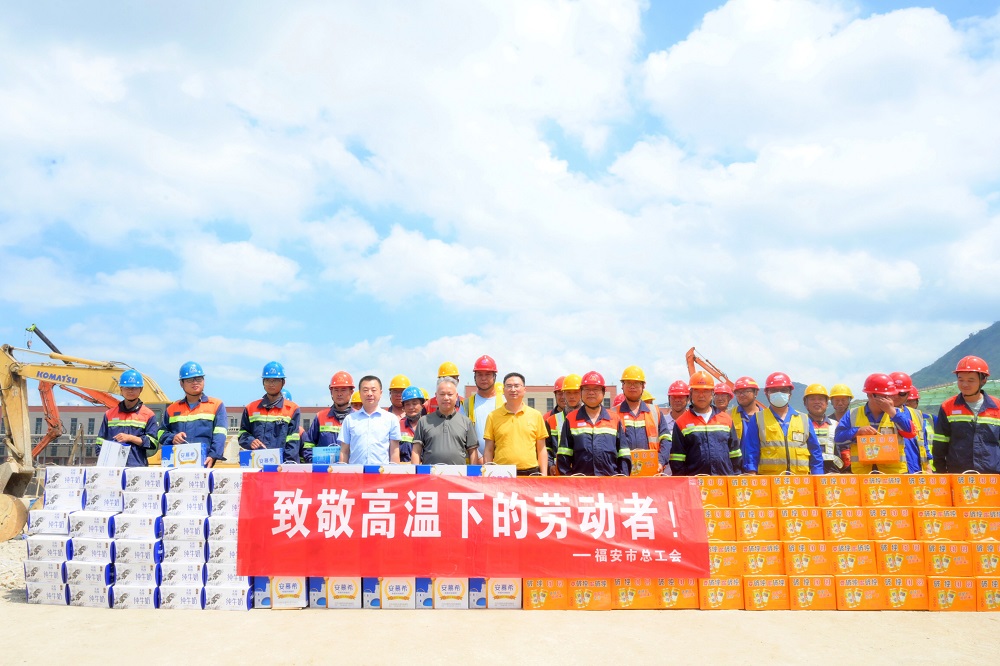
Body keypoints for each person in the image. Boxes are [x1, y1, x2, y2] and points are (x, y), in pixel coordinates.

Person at [742, 372, 823, 475]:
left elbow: (815, 452)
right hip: (770, 480)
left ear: (790, 394)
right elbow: (751, 452)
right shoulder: (758, 419)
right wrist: (752, 474)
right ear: (767, 393)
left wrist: (817, 476)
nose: (779, 393)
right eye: (774, 390)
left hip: (800, 480)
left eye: (784, 390)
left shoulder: (804, 419)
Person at [834, 373, 913, 474]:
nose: (888, 399)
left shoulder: (897, 413)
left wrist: (891, 412)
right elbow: (838, 438)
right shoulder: (852, 414)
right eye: (884, 396)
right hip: (863, 474)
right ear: (870, 395)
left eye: (889, 395)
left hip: (893, 475)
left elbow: (910, 432)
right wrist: (857, 432)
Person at [933, 355, 1000, 474]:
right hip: (958, 474)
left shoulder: (997, 407)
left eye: (970, 380)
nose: (964, 384)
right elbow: (940, 444)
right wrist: (941, 472)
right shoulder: (947, 407)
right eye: (961, 379)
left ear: (983, 380)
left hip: (992, 475)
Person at [557, 371, 630, 476]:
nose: (591, 393)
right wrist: (570, 480)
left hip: (609, 482)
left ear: (603, 392)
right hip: (581, 483)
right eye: (587, 389)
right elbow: (563, 456)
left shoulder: (614, 419)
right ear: (581, 392)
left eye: (596, 389)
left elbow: (624, 454)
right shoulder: (571, 419)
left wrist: (621, 480)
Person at [668, 372, 741, 476]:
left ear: (712, 393)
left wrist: (736, 477)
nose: (701, 395)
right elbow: (677, 460)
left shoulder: (726, 420)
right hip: (695, 482)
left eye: (706, 391)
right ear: (691, 393)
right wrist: (684, 482)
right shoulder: (681, 422)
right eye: (697, 391)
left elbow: (735, 454)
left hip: (724, 480)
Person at [158, 361, 227, 468]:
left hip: (204, 461)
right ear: (181, 384)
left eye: (198, 379)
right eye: (189, 380)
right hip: (177, 462)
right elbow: (160, 433)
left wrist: (213, 455)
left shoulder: (216, 405)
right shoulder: (172, 409)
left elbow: (220, 434)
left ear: (204, 381)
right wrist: (173, 437)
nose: (195, 383)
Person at [484, 372, 549, 475]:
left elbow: (541, 449)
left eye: (516, 386)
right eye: (509, 386)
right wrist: (487, 474)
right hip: (501, 473)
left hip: (531, 473)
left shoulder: (536, 415)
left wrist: (544, 475)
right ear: (503, 390)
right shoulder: (493, 416)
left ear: (524, 389)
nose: (513, 389)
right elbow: (488, 449)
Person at [238, 361, 303, 463]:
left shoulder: (292, 409)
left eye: (275, 380)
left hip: (282, 464)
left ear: (283, 382)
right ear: (263, 382)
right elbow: (242, 433)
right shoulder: (250, 408)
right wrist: (250, 441)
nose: (271, 384)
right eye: (268, 380)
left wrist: (287, 464)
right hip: (257, 462)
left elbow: (292, 441)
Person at [95, 369, 159, 467]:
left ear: (141, 389)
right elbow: (100, 441)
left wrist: (130, 438)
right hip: (112, 467)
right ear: (121, 389)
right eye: (127, 387)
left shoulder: (148, 414)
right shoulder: (109, 414)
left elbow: (153, 442)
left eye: (134, 388)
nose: (130, 391)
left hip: (137, 467)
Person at [412, 377, 479, 465]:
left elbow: (473, 452)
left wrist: (473, 473)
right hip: (430, 473)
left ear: (456, 396)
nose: (446, 398)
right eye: (442, 394)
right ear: (436, 396)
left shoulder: (466, 422)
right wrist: (415, 471)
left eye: (450, 394)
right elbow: (416, 450)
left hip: (458, 473)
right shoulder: (424, 421)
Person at [340, 376, 401, 464]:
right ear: (360, 393)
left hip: (381, 471)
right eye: (365, 390)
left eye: (373, 390)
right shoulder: (350, 419)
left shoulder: (391, 419)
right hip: (356, 471)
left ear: (380, 393)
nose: (369, 394)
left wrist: (394, 472)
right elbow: (344, 451)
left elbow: (394, 452)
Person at [615, 365, 670, 460]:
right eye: (628, 383)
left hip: (651, 466)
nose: (632, 387)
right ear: (622, 386)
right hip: (623, 467)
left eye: (636, 383)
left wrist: (660, 461)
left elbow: (666, 439)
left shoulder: (655, 412)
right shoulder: (613, 414)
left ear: (643, 386)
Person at [301, 370, 354, 462]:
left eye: (343, 390)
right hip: (325, 469)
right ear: (331, 392)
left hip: (351, 469)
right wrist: (314, 462)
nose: (339, 394)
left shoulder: (358, 418)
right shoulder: (320, 417)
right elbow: (308, 444)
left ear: (351, 391)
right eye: (336, 390)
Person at [463, 355, 503, 458]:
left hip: (501, 461)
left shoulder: (505, 402)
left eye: (488, 374)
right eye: (479, 374)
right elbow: (462, 435)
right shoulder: (466, 405)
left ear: (494, 376)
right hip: (475, 462)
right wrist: (479, 458)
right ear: (474, 377)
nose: (483, 378)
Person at [890, 371, 931, 473]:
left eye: (901, 393)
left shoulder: (917, 414)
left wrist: (928, 467)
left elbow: (923, 443)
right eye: (893, 392)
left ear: (908, 393)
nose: (896, 396)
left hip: (917, 470)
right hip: (894, 473)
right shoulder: (879, 413)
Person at [802, 384, 843, 474]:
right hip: (807, 473)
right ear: (805, 403)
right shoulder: (800, 424)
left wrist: (846, 470)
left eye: (820, 399)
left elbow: (844, 450)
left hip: (833, 474)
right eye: (812, 399)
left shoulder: (836, 425)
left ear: (827, 403)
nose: (817, 402)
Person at [657, 380, 689, 474]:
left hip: (687, 475)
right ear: (669, 399)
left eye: (681, 397)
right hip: (664, 475)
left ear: (688, 399)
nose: (677, 400)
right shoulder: (661, 422)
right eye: (674, 397)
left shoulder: (694, 423)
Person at [906, 386, 935, 471]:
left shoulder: (931, 419)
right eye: (906, 401)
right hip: (908, 468)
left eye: (911, 401)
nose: (907, 404)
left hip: (929, 467)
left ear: (917, 402)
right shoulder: (894, 420)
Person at [543, 376, 568, 469]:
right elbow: (544, 448)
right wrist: (550, 465)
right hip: (554, 470)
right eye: (560, 393)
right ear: (555, 395)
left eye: (566, 393)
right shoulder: (546, 418)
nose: (563, 397)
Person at [397, 385, 425, 463]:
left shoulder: (429, 426)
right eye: (407, 404)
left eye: (414, 403)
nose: (411, 407)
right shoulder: (398, 426)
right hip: (403, 469)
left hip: (424, 469)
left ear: (422, 406)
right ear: (403, 408)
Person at [729, 376, 761, 444]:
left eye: (745, 391)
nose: (741, 395)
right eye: (738, 392)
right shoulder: (729, 415)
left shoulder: (766, 416)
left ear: (756, 393)